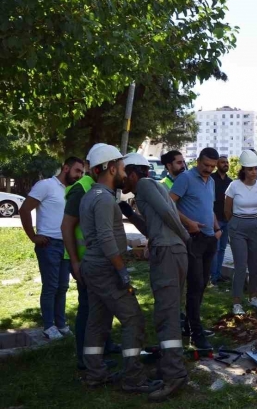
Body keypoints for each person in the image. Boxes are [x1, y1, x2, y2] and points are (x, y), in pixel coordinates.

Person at [79, 144, 162, 393]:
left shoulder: (89, 197)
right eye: (123, 169)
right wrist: (122, 272)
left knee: (97, 321)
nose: (125, 175)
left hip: (93, 267)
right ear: (112, 168)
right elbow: (106, 239)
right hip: (106, 269)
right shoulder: (104, 199)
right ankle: (133, 378)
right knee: (133, 320)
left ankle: (95, 373)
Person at [120, 153, 190, 401]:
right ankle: (170, 365)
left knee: (167, 314)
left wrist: (185, 236)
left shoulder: (146, 185)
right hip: (170, 251)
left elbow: (169, 215)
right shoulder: (145, 190)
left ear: (133, 173)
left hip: (169, 252)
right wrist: (128, 212)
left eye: (122, 173)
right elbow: (152, 227)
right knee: (167, 312)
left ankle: (175, 374)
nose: (120, 178)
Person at [61, 147, 120, 369]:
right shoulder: (82, 189)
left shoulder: (104, 188)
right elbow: (67, 227)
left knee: (102, 305)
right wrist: (75, 262)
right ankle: (84, 358)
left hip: (97, 258)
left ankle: (105, 346)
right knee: (88, 308)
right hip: (84, 260)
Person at [19, 156, 85, 340]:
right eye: (77, 171)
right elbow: (24, 210)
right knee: (51, 286)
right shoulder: (46, 185)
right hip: (48, 243)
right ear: (65, 168)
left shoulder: (72, 190)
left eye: (82, 172)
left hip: (66, 244)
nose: (79, 175)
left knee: (63, 286)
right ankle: (49, 326)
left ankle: (61, 324)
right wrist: (33, 236)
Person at [170, 147, 223, 349]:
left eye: (212, 166)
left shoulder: (210, 181)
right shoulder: (185, 178)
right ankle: (195, 333)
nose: (208, 169)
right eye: (205, 165)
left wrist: (217, 228)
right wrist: (189, 222)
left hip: (210, 238)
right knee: (195, 285)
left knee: (201, 286)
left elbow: (208, 208)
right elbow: (169, 203)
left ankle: (191, 325)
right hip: (193, 239)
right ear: (198, 161)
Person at [224, 150, 257, 314]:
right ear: (243, 170)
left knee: (255, 265)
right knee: (241, 265)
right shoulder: (234, 185)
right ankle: (237, 301)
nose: (253, 172)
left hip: (256, 225)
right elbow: (227, 209)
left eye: (255, 168)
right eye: (250, 169)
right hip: (238, 225)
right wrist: (233, 223)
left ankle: (253, 296)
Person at [211, 155, 232, 285]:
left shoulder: (230, 181)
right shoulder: (211, 179)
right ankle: (212, 277)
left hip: (227, 220)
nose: (225, 164)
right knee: (215, 249)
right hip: (215, 220)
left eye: (227, 162)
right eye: (223, 162)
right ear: (217, 164)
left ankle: (218, 275)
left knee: (223, 249)